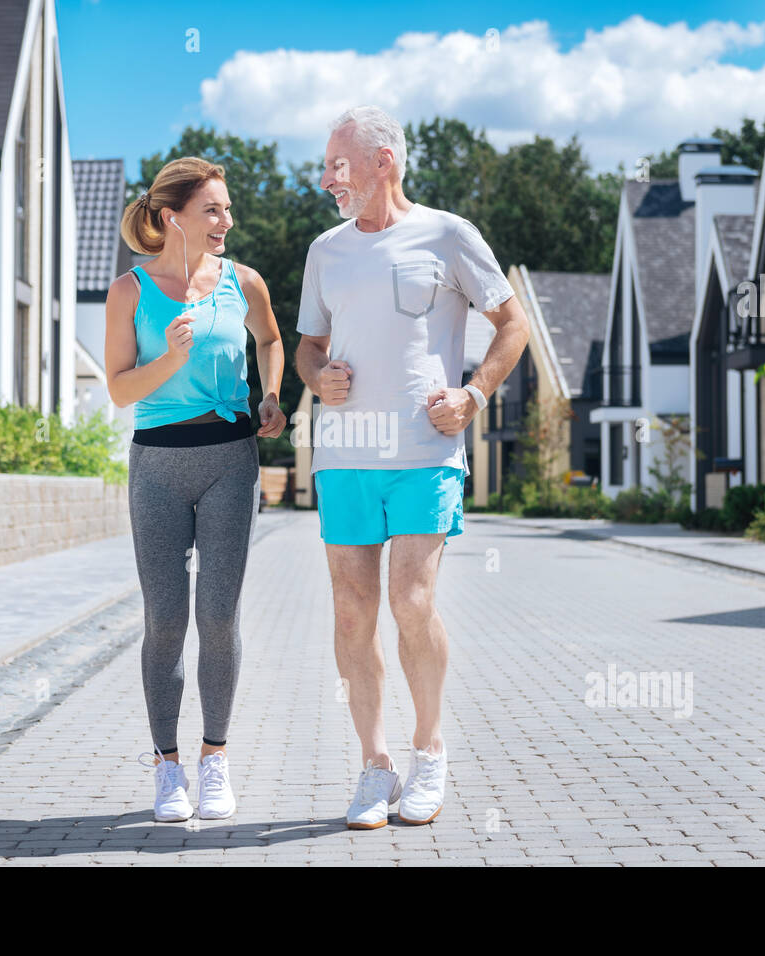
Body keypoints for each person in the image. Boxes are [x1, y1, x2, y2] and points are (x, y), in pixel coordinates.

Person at [295, 106, 530, 829]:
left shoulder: (448, 234)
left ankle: (430, 752)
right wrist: (314, 377)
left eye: (339, 164)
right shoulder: (326, 251)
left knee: (413, 604)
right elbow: (308, 346)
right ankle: (375, 765)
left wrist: (474, 391)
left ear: (382, 163)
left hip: (426, 454)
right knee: (350, 609)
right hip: (345, 458)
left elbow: (512, 323)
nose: (328, 177)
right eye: (327, 164)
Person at [105, 157, 287, 822]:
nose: (226, 221)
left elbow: (270, 340)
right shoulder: (129, 291)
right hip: (157, 463)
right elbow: (119, 388)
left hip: (231, 459)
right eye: (213, 209)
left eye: (227, 209)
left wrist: (271, 394)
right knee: (165, 620)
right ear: (170, 217)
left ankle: (215, 759)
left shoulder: (244, 282)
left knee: (217, 615)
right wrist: (169, 362)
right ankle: (167, 769)